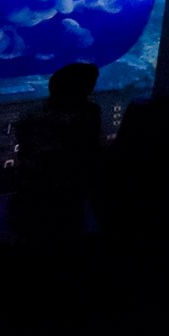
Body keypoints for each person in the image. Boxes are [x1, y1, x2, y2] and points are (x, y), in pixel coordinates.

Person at [9, 62, 103, 245]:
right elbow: (89, 155)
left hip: (28, 195)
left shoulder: (31, 114)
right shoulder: (88, 114)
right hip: (66, 199)